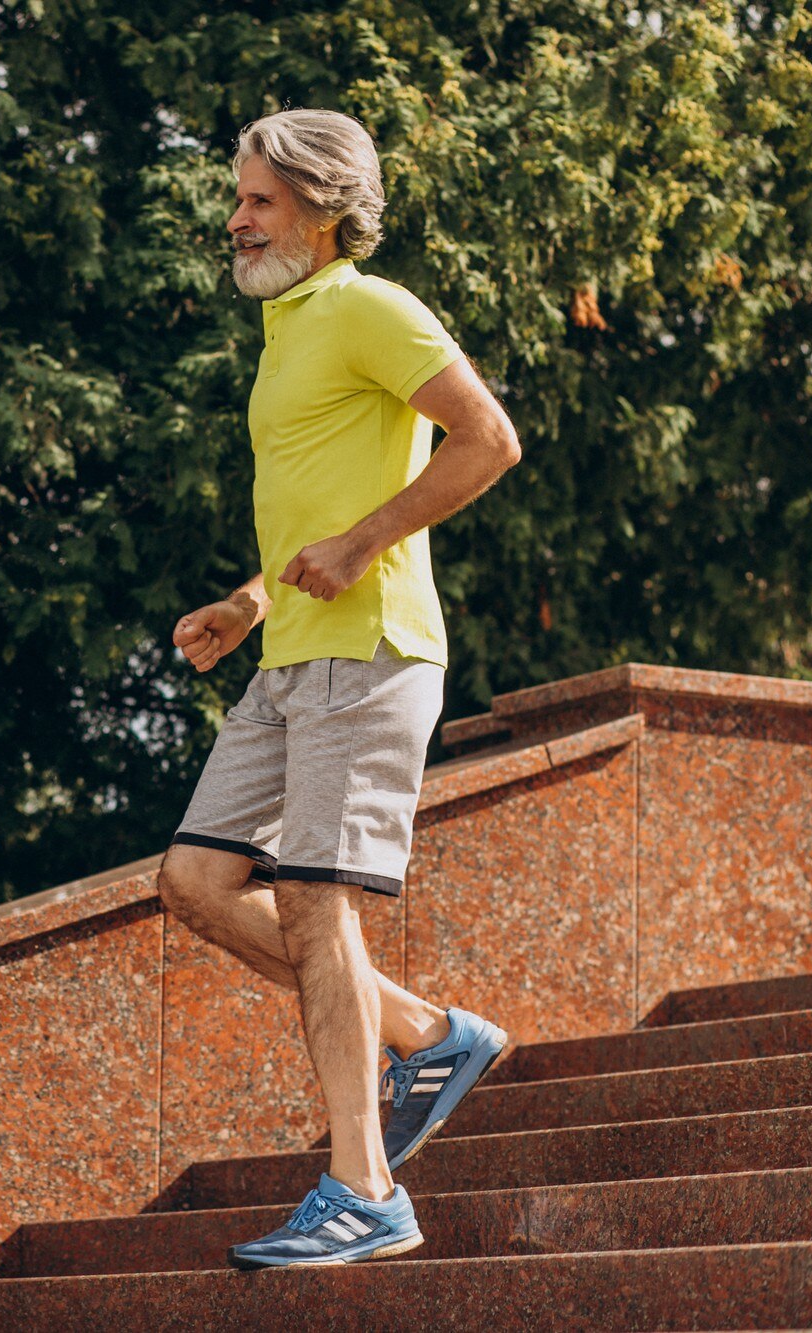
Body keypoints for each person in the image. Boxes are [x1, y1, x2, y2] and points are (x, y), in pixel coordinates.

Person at [158, 107, 523, 1268]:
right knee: (195, 879)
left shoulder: (370, 306)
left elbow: (486, 439)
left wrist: (364, 544)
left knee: (317, 904)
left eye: (258, 199)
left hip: (369, 653)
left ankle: (366, 1190)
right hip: (288, 655)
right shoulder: (287, 330)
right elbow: (311, 510)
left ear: (321, 209)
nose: (236, 217)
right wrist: (247, 602)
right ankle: (423, 1031)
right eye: (238, 196)